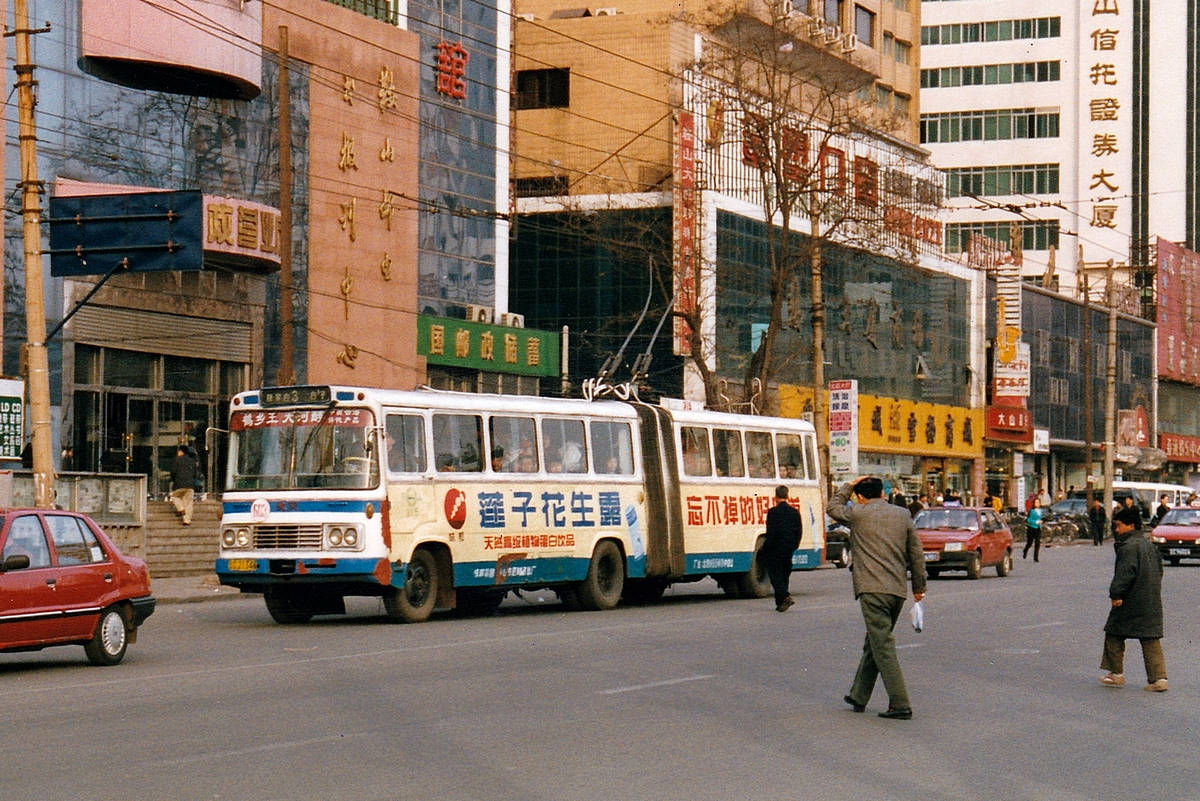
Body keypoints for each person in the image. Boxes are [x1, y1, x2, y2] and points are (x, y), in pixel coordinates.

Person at [828, 477, 926, 720]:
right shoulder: (903, 514)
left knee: (882, 645)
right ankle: (859, 695)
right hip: (897, 590)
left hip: (872, 589)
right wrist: (919, 586)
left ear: (860, 497)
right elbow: (916, 552)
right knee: (875, 641)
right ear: (883, 494)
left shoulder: (857, 514)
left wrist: (848, 485)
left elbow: (832, 508)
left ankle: (900, 703)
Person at [1099, 506, 1168, 692]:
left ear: (1130, 526)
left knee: (1114, 632)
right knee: (1150, 637)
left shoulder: (1129, 547)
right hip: (1150, 598)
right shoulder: (1149, 545)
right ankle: (1159, 679)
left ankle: (1115, 674)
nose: (1116, 529)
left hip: (1131, 599)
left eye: (1119, 525)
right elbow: (1159, 572)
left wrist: (1116, 594)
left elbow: (1124, 573)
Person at [764, 485, 802, 612]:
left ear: (775, 497)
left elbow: (771, 532)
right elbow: (799, 531)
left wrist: (767, 547)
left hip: (775, 548)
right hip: (789, 547)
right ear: (788, 496)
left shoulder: (773, 512)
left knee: (775, 574)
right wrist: (794, 545)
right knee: (785, 573)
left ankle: (785, 596)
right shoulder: (795, 512)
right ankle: (780, 603)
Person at [169, 446, 198, 525]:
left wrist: (173, 479)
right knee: (188, 503)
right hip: (190, 485)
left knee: (175, 496)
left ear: (181, 452)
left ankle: (181, 509)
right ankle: (187, 520)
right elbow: (195, 473)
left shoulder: (177, 460)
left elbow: (173, 472)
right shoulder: (193, 461)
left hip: (179, 484)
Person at [1023, 497, 1045, 561]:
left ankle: (1036, 557)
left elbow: (1043, 517)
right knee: (1030, 542)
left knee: (1037, 542)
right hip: (1031, 528)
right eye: (1035, 502)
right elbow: (1028, 519)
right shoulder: (1031, 511)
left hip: (1038, 528)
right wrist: (1035, 522)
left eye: (1038, 502)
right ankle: (1025, 550)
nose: (1037, 504)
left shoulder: (1041, 510)